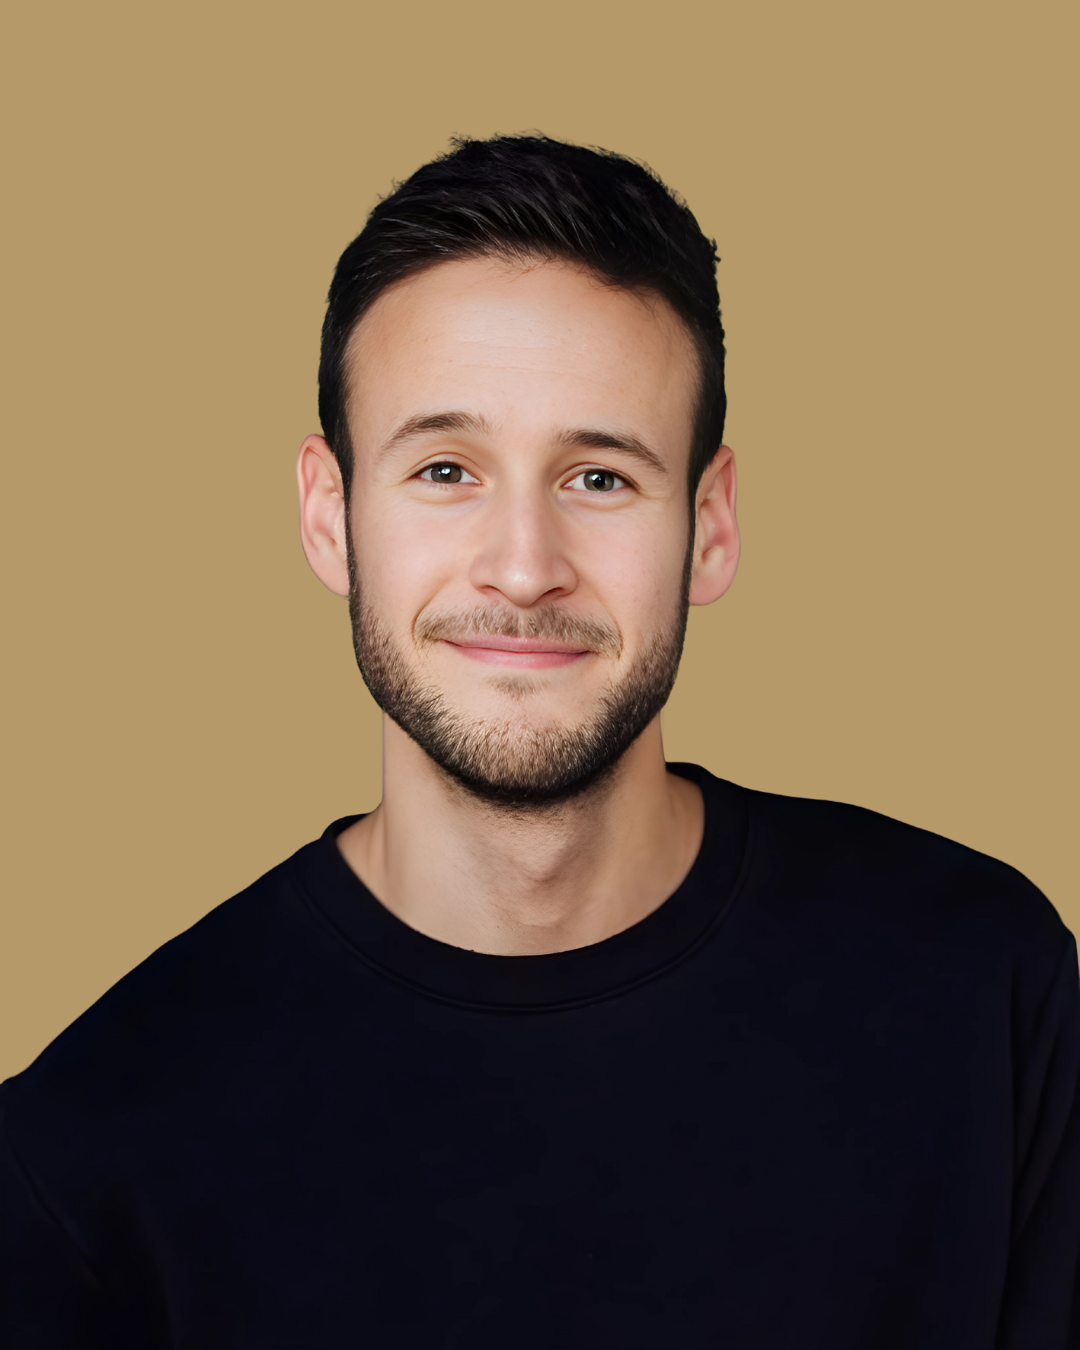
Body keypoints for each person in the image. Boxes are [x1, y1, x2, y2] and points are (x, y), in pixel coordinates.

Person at [1, 134, 1077, 1349]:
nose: (523, 569)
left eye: (600, 478)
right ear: (329, 514)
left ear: (710, 525)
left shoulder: (983, 990)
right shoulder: (88, 1152)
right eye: (447, 469)